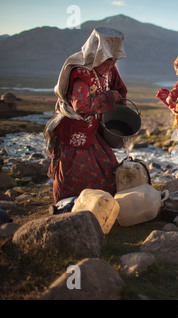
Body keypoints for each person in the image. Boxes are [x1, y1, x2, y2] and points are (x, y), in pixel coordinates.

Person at [44, 27, 127, 204]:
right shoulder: (81, 73)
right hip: (75, 133)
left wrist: (119, 105)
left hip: (95, 131)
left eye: (113, 61)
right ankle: (68, 209)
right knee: (75, 176)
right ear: (96, 57)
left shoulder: (109, 70)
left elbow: (120, 89)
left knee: (107, 170)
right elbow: (80, 105)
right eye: (107, 62)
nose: (110, 66)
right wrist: (108, 97)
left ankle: (100, 207)